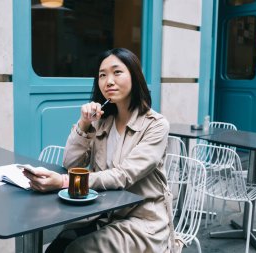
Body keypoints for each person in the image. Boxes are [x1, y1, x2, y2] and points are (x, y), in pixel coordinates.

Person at [24, 48, 175, 252]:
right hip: (102, 212)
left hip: (143, 219)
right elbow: (71, 164)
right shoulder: (102, 121)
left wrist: (62, 182)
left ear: (135, 76)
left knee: (76, 250)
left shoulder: (155, 125)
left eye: (117, 72)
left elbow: (124, 175)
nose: (108, 81)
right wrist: (83, 124)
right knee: (56, 248)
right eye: (102, 75)